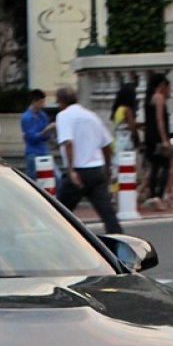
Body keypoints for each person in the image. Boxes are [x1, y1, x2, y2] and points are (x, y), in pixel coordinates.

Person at [53, 85, 122, 235]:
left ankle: (57, 240)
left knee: (58, 212)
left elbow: (68, 143)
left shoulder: (63, 116)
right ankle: (120, 241)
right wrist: (108, 167)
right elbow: (107, 144)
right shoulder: (91, 116)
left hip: (79, 171)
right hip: (97, 170)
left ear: (61, 102)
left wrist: (71, 170)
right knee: (107, 213)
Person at [141, 73, 173, 211]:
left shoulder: (149, 99)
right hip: (158, 137)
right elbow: (160, 120)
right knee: (165, 166)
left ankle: (152, 195)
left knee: (154, 167)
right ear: (162, 86)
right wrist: (165, 140)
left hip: (150, 137)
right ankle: (157, 196)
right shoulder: (159, 98)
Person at [109, 83, 141, 196]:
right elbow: (132, 127)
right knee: (127, 168)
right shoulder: (127, 110)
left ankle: (114, 194)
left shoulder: (118, 109)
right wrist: (137, 139)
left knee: (116, 167)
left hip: (117, 140)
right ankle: (125, 195)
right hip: (126, 142)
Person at [20, 88, 55, 181]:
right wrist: (45, 131)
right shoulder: (26, 117)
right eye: (41, 102)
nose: (43, 105)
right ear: (33, 102)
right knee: (33, 179)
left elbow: (46, 136)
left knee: (55, 177)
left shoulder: (43, 115)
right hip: (33, 152)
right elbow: (31, 138)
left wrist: (46, 132)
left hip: (43, 150)